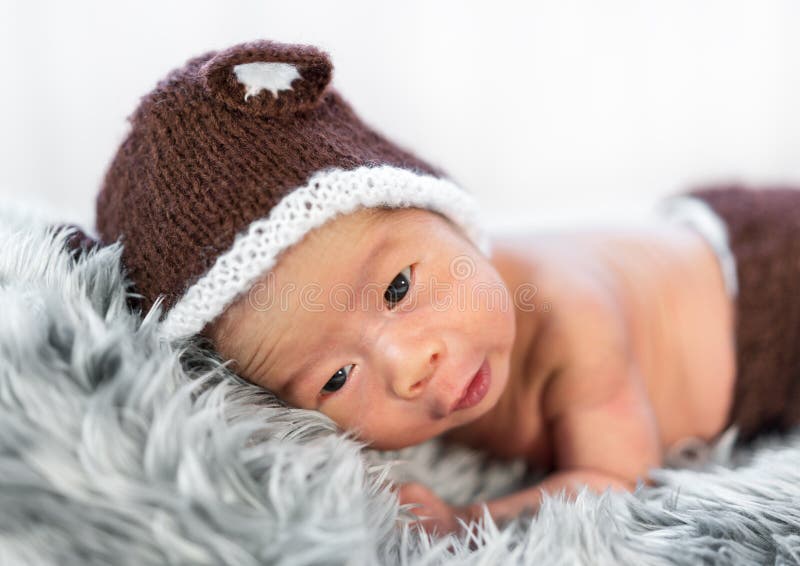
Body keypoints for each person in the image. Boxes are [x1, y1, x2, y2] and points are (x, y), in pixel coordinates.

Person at [94, 39, 800, 537]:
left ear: (451, 218)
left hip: (771, 296)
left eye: (399, 286)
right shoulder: (444, 314)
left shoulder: (568, 317)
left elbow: (619, 482)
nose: (407, 364)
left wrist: (464, 524)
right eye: (337, 378)